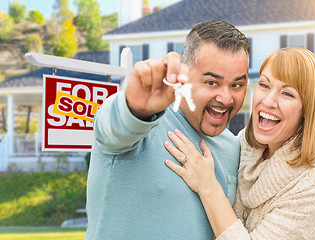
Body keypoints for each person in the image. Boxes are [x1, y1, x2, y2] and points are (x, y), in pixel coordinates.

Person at [85, 20, 250, 239]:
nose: (226, 98)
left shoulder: (234, 148)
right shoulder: (142, 123)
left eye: (236, 85)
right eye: (212, 82)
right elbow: (111, 129)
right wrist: (134, 109)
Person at [165, 47, 315, 239]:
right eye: (264, 85)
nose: (268, 101)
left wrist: (208, 187)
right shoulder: (247, 144)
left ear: (308, 109)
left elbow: (208, 185)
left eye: (287, 94)